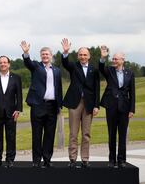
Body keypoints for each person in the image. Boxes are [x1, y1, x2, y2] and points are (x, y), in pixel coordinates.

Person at [20, 41, 62, 168]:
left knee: (50, 134)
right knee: (37, 134)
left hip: (52, 106)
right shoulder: (36, 67)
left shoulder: (57, 70)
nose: (45, 56)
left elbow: (58, 88)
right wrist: (26, 53)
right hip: (38, 105)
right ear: (40, 56)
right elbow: (28, 63)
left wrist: (59, 104)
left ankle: (47, 159)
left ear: (51, 55)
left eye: (47, 54)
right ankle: (36, 160)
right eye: (43, 54)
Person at [60, 39, 100, 168]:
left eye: (85, 55)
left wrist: (96, 105)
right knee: (73, 133)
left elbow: (97, 88)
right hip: (75, 103)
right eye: (80, 55)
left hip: (89, 104)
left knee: (86, 134)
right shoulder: (74, 67)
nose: (83, 57)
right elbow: (65, 63)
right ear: (78, 56)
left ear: (89, 56)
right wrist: (65, 52)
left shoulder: (94, 70)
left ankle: (85, 159)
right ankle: (72, 159)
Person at [99, 46, 135, 168]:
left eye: (116, 59)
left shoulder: (129, 73)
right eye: (113, 59)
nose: (114, 60)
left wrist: (132, 109)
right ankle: (112, 160)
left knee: (122, 135)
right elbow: (100, 68)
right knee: (112, 134)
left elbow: (132, 93)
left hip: (124, 108)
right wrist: (103, 57)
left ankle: (122, 160)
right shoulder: (109, 70)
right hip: (111, 106)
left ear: (122, 60)